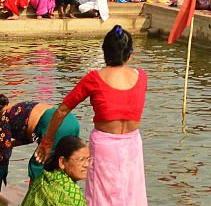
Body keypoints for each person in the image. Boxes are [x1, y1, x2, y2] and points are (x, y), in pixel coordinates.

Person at [35, 26, 147, 206]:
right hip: (133, 144)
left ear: (105, 54)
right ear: (130, 54)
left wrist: (46, 143)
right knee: (132, 193)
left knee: (102, 196)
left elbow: (62, 111)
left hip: (105, 145)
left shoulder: (94, 78)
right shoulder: (141, 76)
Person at [0, 94, 81, 198]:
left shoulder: (2, 120)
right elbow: (31, 135)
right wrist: (12, 144)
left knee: (36, 165)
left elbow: (3, 155)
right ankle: (66, 198)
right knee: (64, 165)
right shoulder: (15, 109)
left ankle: (35, 200)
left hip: (56, 126)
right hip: (70, 120)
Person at [21, 135, 89, 206]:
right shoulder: (71, 195)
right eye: (81, 160)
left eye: (88, 159)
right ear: (62, 162)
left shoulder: (44, 178)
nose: (86, 165)